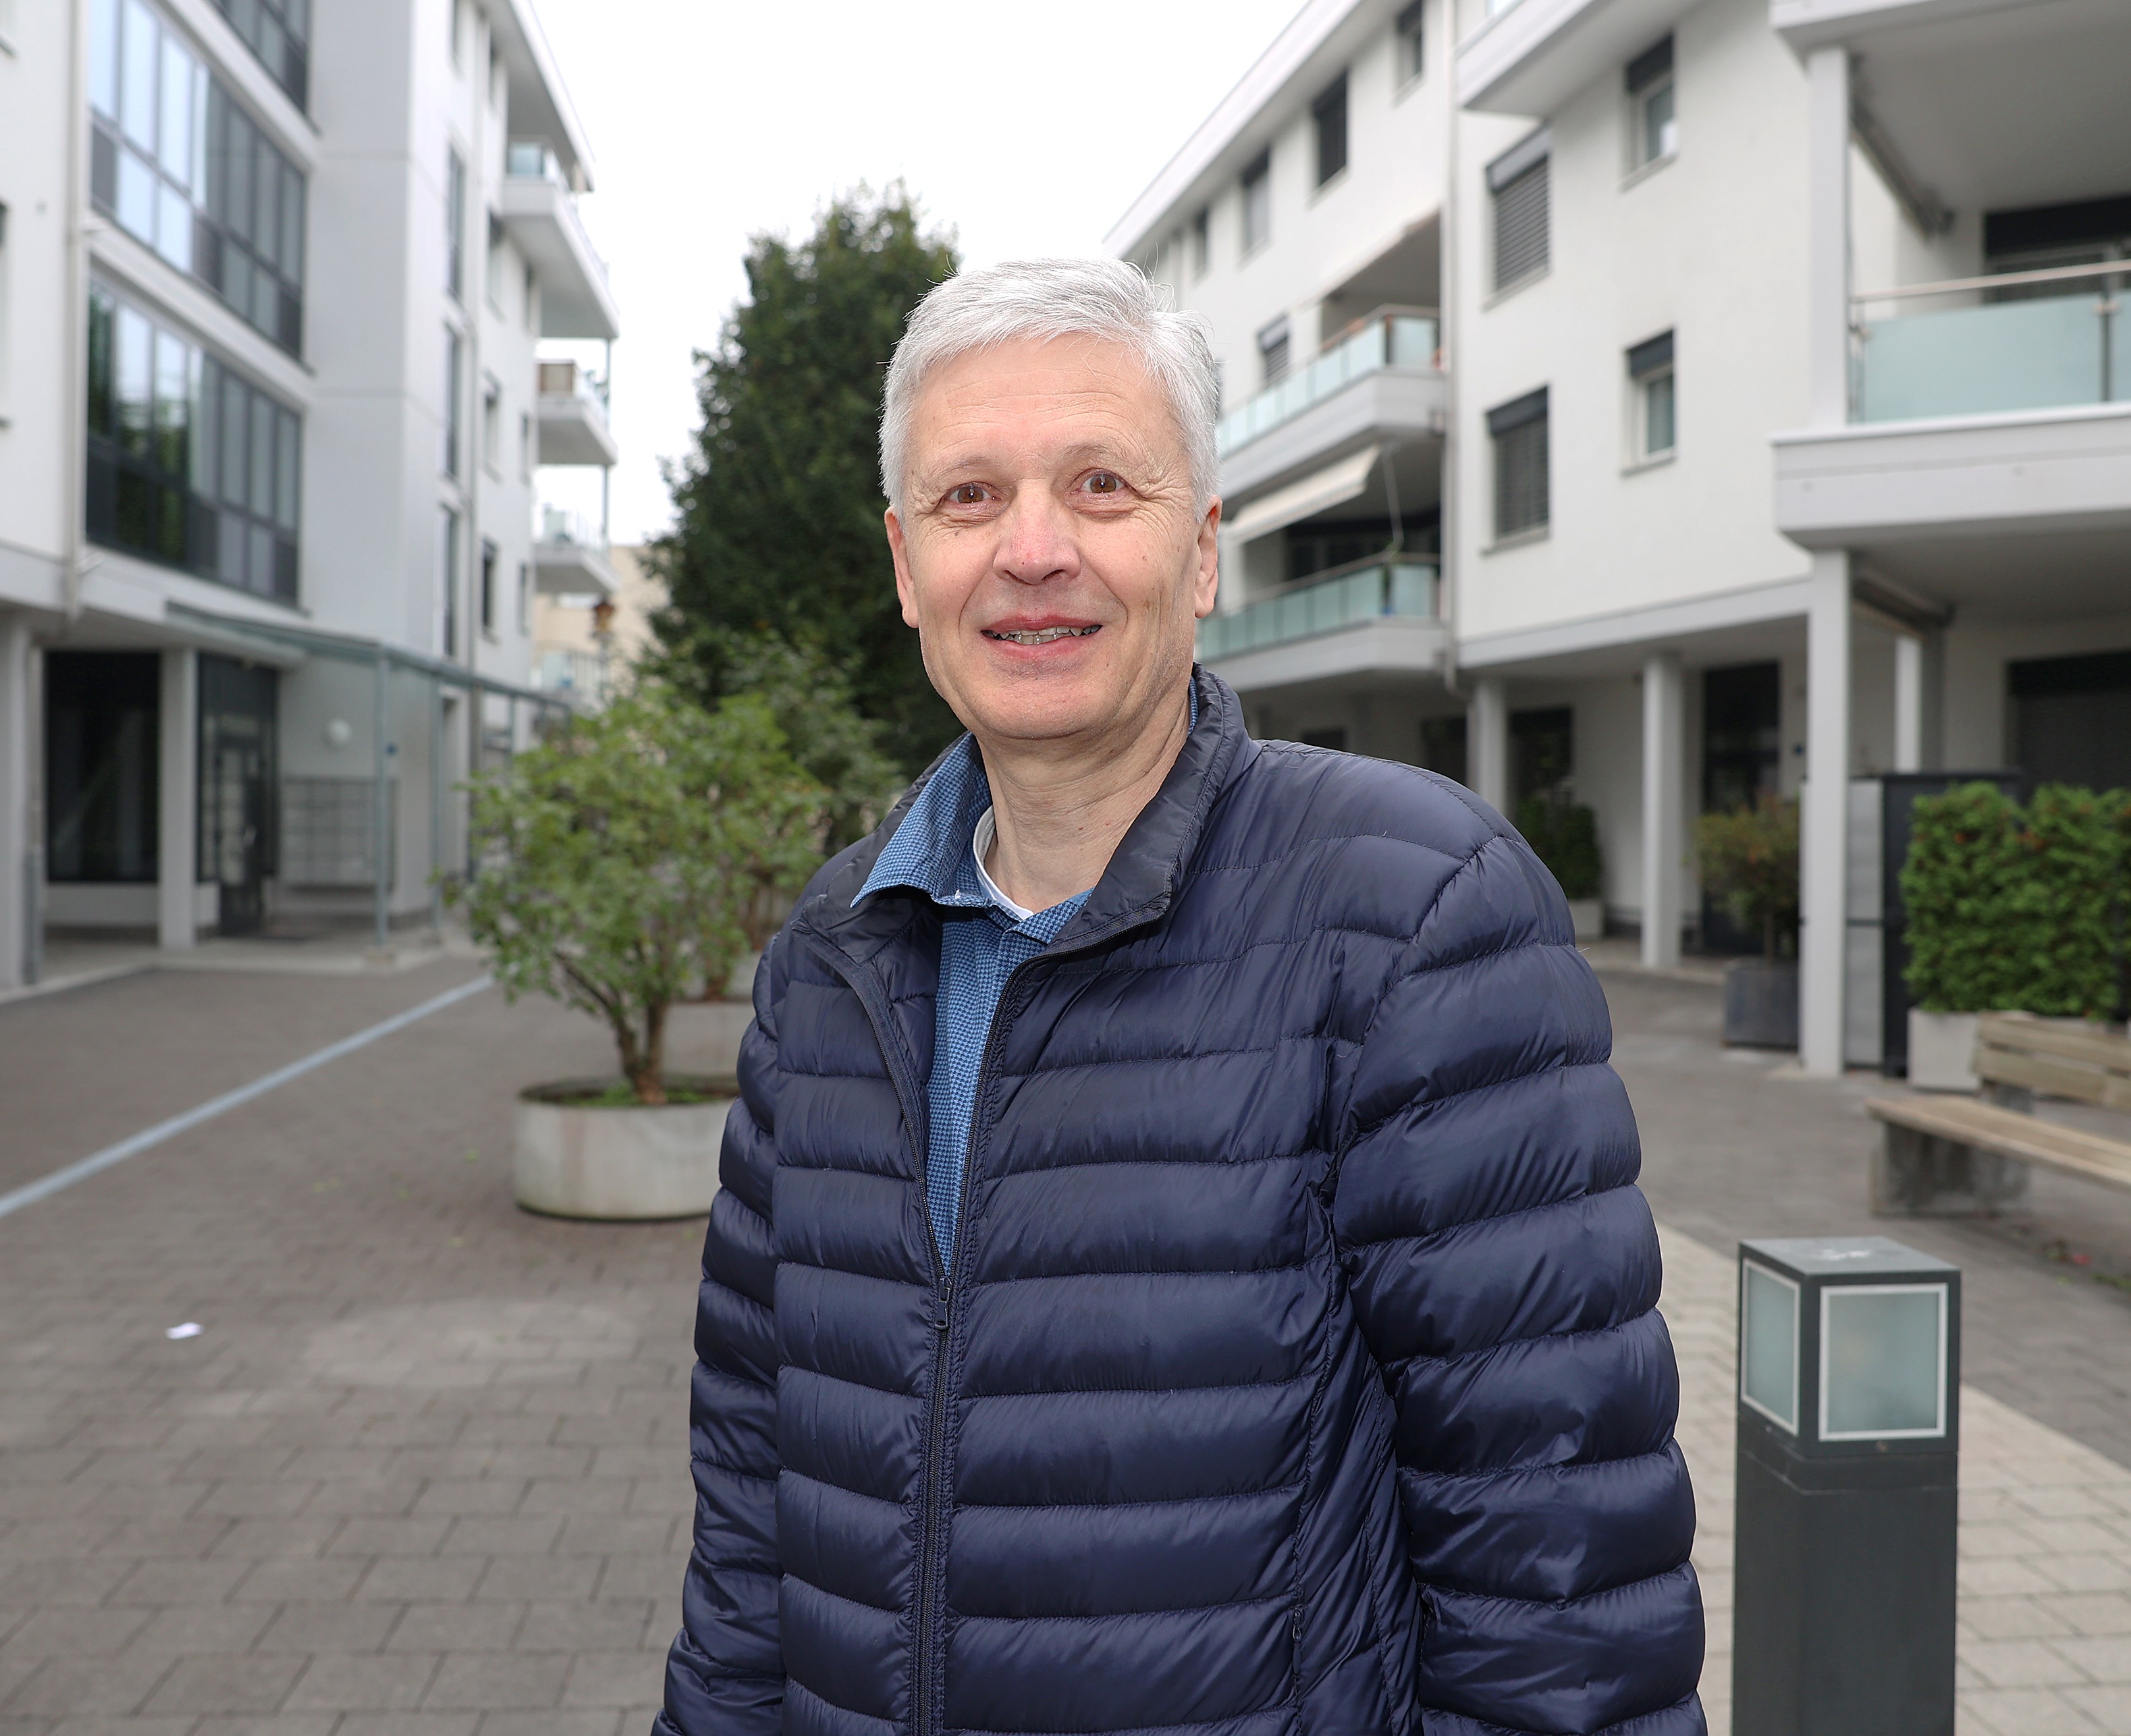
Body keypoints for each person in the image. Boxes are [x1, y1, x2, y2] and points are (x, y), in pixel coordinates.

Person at [654, 258, 1702, 1736]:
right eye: (967, 498)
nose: (1030, 550)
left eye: (1098, 485)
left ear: (1201, 552)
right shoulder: (827, 956)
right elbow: (754, 1535)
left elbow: (1559, 1593)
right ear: (904, 565)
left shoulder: (1413, 915)